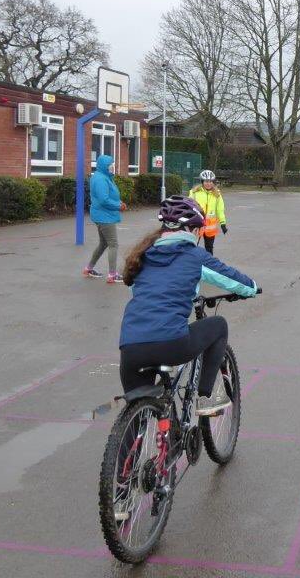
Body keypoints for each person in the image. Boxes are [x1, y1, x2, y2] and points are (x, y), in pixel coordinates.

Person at [118, 195, 257, 414]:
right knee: (219, 325)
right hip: (171, 343)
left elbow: (138, 291)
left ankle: (129, 445)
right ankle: (206, 398)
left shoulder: (142, 256)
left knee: (136, 416)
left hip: (130, 347)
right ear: (193, 231)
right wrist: (252, 288)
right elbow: (233, 279)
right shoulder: (195, 255)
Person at [83, 154, 126, 283]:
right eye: (111, 166)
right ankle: (112, 275)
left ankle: (88, 269)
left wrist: (118, 202)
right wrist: (118, 206)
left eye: (113, 165)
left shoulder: (103, 177)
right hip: (104, 216)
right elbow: (103, 200)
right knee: (113, 244)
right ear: (104, 166)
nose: (113, 167)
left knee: (104, 243)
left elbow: (107, 196)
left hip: (102, 215)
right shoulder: (101, 179)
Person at [189, 170, 227, 255]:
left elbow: (220, 209)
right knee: (192, 246)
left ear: (213, 182)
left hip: (210, 226)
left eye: (210, 181)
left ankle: (209, 265)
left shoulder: (217, 194)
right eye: (206, 181)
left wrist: (223, 223)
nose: (208, 183)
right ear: (202, 182)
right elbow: (189, 207)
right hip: (197, 223)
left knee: (209, 248)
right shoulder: (194, 192)